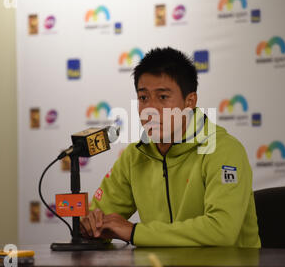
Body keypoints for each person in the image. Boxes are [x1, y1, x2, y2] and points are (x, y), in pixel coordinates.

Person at [80, 47, 260, 247]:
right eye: (143, 98)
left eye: (163, 97)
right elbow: (98, 218)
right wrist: (91, 224)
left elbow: (221, 231)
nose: (150, 110)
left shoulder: (223, 149)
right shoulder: (135, 155)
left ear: (190, 101)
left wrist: (134, 232)